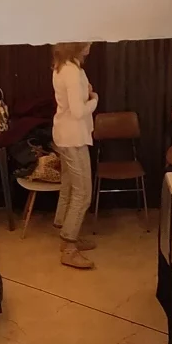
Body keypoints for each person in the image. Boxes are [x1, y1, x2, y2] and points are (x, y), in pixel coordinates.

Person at [51, 42, 98, 269]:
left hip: (66, 135)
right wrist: (94, 99)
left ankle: (67, 232)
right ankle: (69, 247)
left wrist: (85, 92)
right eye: (87, 40)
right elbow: (78, 111)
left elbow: (74, 103)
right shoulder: (71, 71)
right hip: (73, 138)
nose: (91, 43)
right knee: (83, 193)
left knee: (69, 187)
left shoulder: (65, 67)